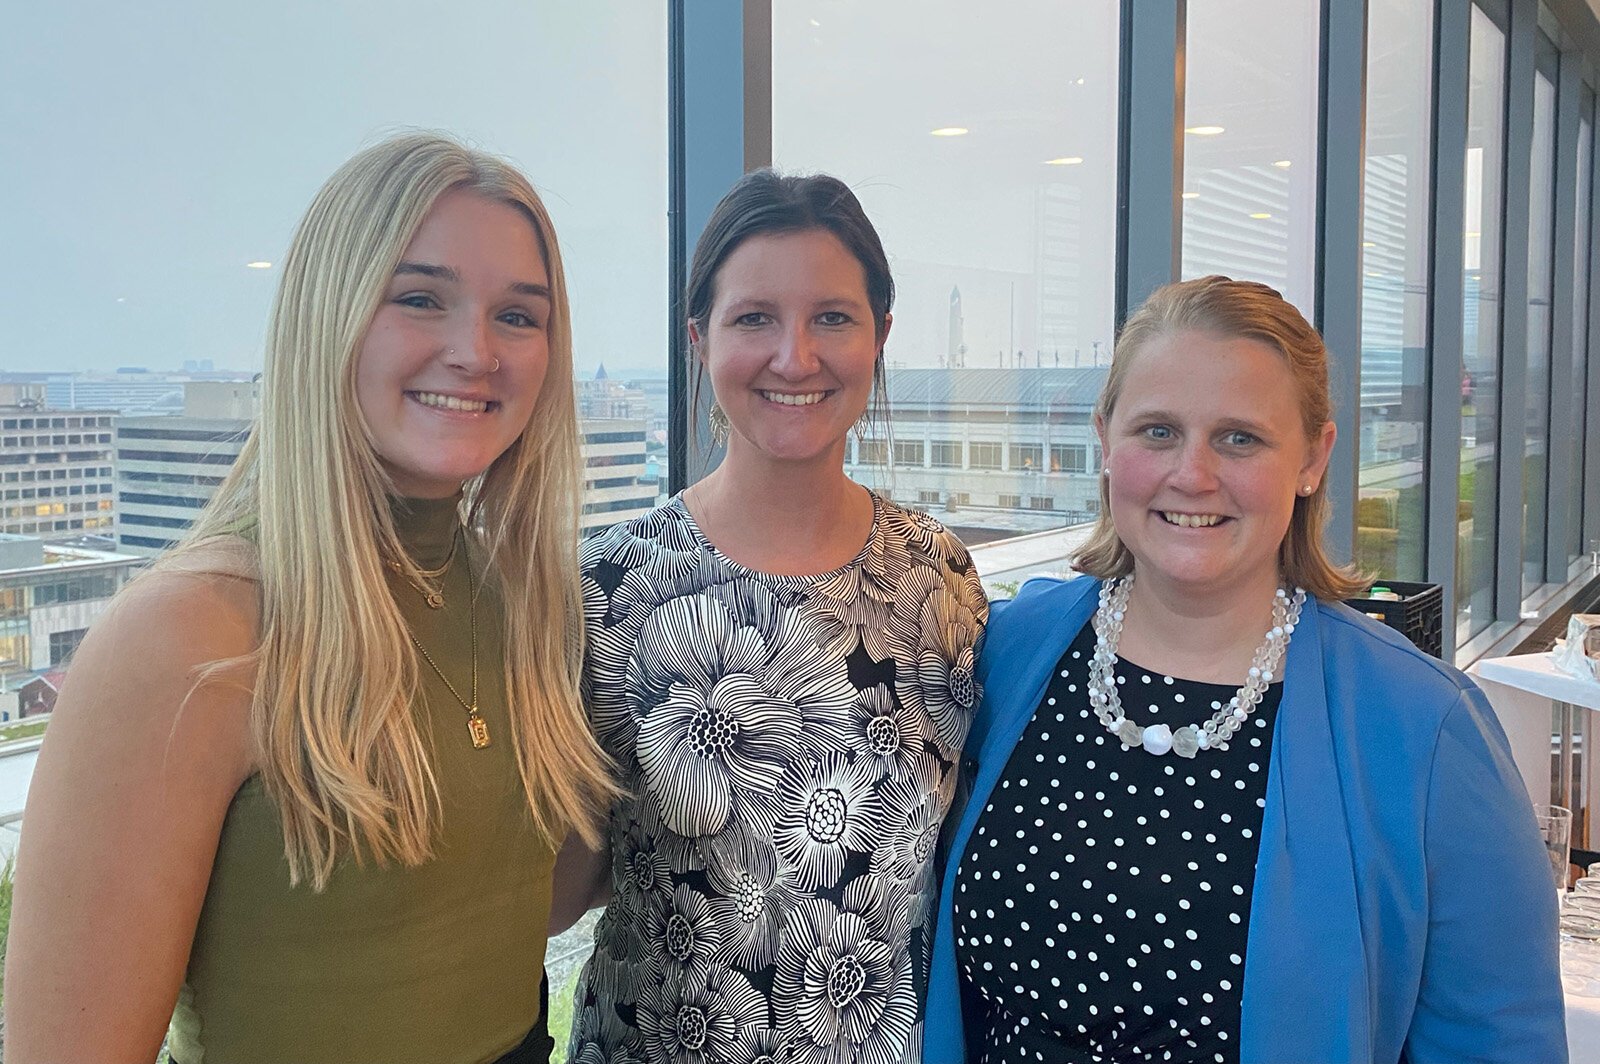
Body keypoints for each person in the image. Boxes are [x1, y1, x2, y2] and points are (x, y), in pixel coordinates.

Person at [4, 133, 615, 1064]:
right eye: (420, 299)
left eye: (519, 317)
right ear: (325, 316)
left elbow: (513, 901)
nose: (475, 352)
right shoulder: (188, 635)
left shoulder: (525, 599)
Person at [925, 276, 1566, 1063]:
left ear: (1312, 458)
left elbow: (1496, 1041)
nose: (1192, 474)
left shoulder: (1422, 729)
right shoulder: (1008, 654)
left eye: (1240, 438)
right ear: (1105, 440)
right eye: (1157, 431)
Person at [554, 170, 988, 1063]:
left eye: (833, 316)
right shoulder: (608, 587)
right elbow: (555, 890)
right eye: (754, 318)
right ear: (699, 339)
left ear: (881, 338)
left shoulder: (940, 577)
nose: (796, 356)